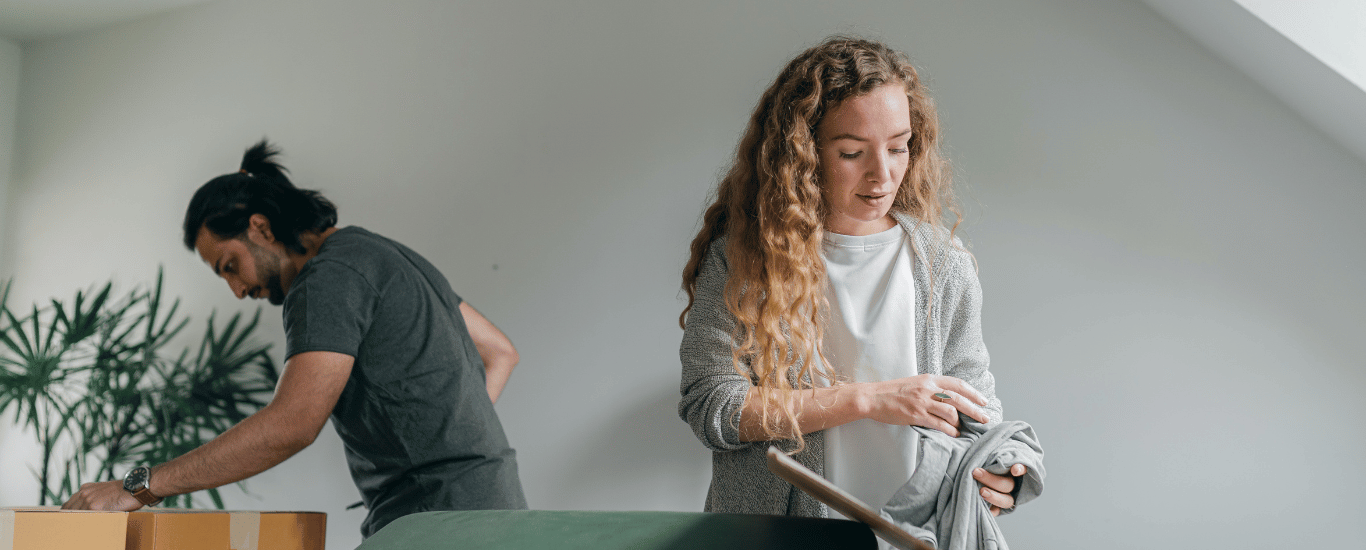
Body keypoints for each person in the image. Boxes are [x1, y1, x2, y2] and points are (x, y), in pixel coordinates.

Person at [63, 140, 528, 538]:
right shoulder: (382, 255)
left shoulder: (326, 279)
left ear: (261, 228)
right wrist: (447, 440)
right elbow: (500, 352)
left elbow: (292, 425)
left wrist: (136, 486)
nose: (239, 290)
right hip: (496, 511)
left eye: (230, 266)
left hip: (438, 523)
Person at [678, 37, 1029, 520]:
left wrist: (1000, 471)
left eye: (899, 148)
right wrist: (867, 398)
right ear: (802, 154)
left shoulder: (944, 265)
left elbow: (974, 406)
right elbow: (712, 405)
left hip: (910, 535)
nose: (882, 175)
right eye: (851, 153)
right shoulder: (744, 263)